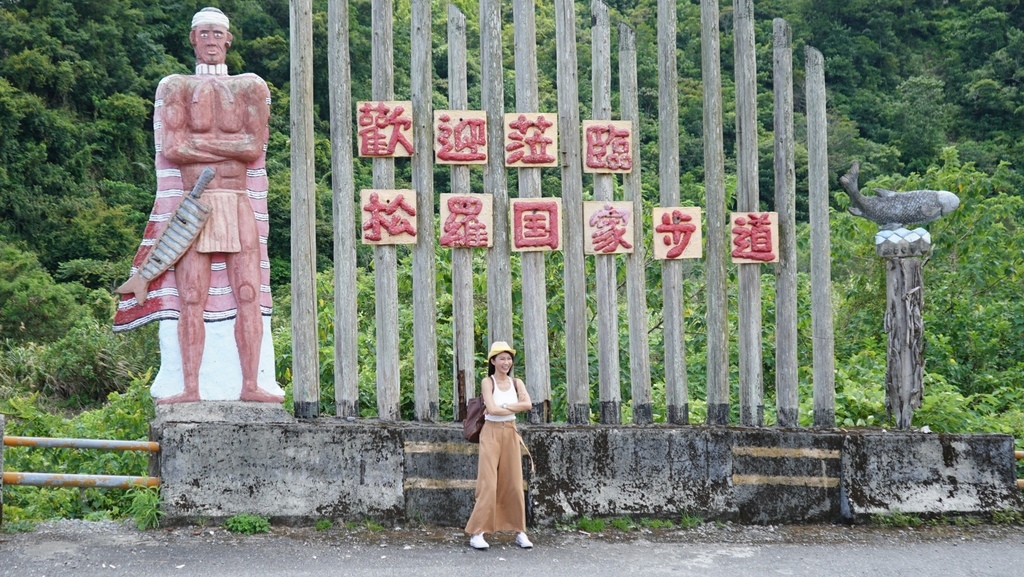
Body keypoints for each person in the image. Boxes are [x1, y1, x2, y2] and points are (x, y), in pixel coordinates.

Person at [113, 7, 283, 404]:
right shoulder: (176, 88)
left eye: (216, 33)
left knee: (247, 291)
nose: (210, 40)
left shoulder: (250, 87)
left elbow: (252, 147)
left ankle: (250, 385)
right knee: (191, 295)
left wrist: (203, 149)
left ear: (228, 39)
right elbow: (174, 148)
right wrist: (226, 151)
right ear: (193, 38)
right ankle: (189, 387)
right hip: (195, 204)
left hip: (237, 201)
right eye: (203, 32)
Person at [465, 341, 534, 550]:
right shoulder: (488, 381)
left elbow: (528, 404)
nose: (506, 362)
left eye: (509, 358)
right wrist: (511, 407)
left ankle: (520, 531)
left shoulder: (517, 383)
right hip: (491, 434)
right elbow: (491, 409)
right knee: (488, 483)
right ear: (493, 361)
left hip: (510, 432)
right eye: (501, 358)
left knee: (513, 482)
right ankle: (478, 533)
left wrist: (502, 406)